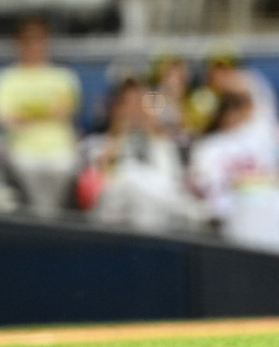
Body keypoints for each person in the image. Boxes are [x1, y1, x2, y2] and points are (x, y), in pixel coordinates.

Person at [0, 17, 81, 215]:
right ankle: (45, 221)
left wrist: (27, 114)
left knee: (63, 167)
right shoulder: (5, 78)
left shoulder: (63, 76)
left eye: (39, 40)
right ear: (18, 44)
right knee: (29, 170)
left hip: (59, 147)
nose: (34, 46)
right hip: (21, 148)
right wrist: (45, 113)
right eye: (28, 40)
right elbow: (5, 118)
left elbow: (64, 113)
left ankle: (47, 219)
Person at [82, 78, 199, 232]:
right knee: (129, 174)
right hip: (114, 209)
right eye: (128, 103)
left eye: (139, 103)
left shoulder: (163, 144)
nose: (134, 110)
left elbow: (171, 180)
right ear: (117, 107)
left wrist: (150, 127)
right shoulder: (99, 142)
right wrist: (120, 132)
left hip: (157, 210)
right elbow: (96, 179)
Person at [189, 89, 279, 252]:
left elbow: (272, 175)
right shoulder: (208, 146)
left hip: (263, 201)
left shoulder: (256, 140)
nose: (235, 116)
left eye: (239, 110)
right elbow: (207, 187)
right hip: (230, 207)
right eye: (232, 110)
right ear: (222, 113)